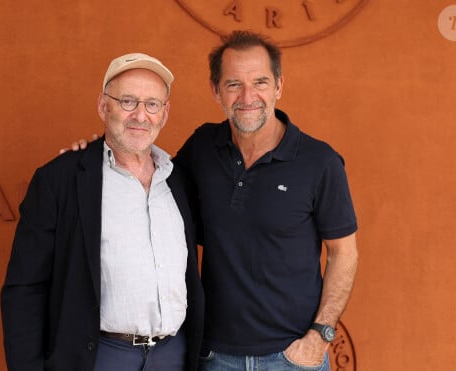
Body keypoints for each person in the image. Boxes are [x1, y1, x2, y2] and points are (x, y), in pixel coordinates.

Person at [65, 30, 358, 371]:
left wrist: (320, 334)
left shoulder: (319, 162)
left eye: (260, 82)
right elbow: (147, 183)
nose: (248, 96)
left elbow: (344, 252)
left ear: (278, 86)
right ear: (216, 90)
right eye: (233, 84)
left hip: (292, 358)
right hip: (214, 356)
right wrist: (93, 158)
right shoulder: (203, 147)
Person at [1, 53, 204, 371]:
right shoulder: (62, 179)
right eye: (127, 101)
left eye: (152, 104)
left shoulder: (178, 180)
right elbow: (25, 287)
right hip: (100, 357)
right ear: (103, 106)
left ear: (164, 114)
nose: (140, 115)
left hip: (173, 356)